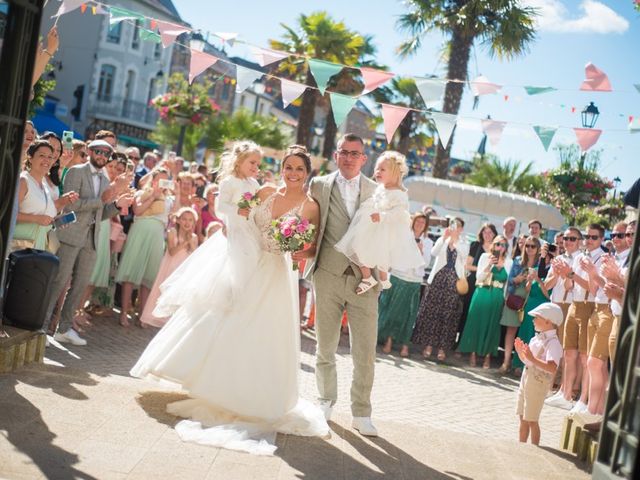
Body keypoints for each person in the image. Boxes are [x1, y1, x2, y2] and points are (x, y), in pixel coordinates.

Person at [130, 145, 328, 455]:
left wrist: (292, 246)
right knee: (231, 320)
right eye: (288, 167)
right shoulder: (263, 191)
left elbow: (312, 246)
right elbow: (236, 216)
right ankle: (216, 388)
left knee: (264, 331)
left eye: (299, 169)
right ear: (281, 169)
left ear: (307, 173)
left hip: (277, 272)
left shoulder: (311, 205)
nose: (292, 173)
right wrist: (230, 230)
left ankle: (255, 395)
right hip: (246, 263)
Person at [304, 133, 380, 437]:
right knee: (325, 345)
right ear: (337, 155)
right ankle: (325, 400)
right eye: (344, 152)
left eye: (355, 153)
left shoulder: (377, 190)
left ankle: (361, 412)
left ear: (364, 159)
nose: (349, 157)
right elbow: (307, 219)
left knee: (365, 351)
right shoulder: (319, 185)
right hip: (327, 274)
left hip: (366, 280)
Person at [43, 140, 133, 346]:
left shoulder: (104, 177)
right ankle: (42, 326)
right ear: (91, 152)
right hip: (71, 234)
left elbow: (101, 213)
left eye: (106, 153)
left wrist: (118, 205)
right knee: (59, 281)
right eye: (99, 151)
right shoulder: (76, 171)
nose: (102, 155)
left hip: (92, 238)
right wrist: (103, 199)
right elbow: (72, 204)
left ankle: (63, 329)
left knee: (80, 285)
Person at [334, 151, 424, 294]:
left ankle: (379, 277)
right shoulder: (380, 188)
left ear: (394, 173)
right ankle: (372, 277)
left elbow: (400, 213)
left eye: (382, 169)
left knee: (376, 252)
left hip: (382, 228)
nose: (377, 172)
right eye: (377, 169)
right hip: (369, 224)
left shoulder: (399, 194)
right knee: (356, 248)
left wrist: (382, 216)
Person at [116, 168, 173, 327]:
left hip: (156, 235)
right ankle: (124, 312)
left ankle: (142, 314)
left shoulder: (169, 199)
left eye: (165, 180)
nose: (162, 183)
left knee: (148, 276)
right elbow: (138, 210)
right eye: (159, 179)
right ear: (153, 180)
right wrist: (153, 197)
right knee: (131, 271)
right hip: (140, 232)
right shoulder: (142, 193)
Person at [412, 217, 469, 362]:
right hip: (438, 278)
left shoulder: (464, 243)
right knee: (433, 312)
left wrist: (455, 241)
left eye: (457, 225)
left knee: (448, 314)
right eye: (452, 225)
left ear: (461, 229)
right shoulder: (442, 239)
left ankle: (442, 348)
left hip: (454, 281)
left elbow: (463, 256)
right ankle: (429, 345)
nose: (454, 227)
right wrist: (444, 239)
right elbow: (434, 253)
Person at [378, 212, 433, 357]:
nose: (420, 224)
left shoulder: (427, 242)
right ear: (413, 222)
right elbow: (395, 254)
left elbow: (427, 263)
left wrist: (420, 251)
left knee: (409, 314)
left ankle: (404, 345)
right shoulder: (403, 236)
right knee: (393, 311)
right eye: (418, 221)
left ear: (426, 226)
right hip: (399, 276)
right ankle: (388, 340)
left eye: (423, 222)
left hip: (414, 280)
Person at [457, 235, 512, 369]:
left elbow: (507, 284)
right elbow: (479, 277)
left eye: (503, 245)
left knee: (492, 326)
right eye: (498, 244)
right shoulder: (484, 257)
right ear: (493, 245)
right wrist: (489, 265)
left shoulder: (509, 262)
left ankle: (487, 356)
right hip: (482, 292)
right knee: (476, 322)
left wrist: (505, 300)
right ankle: (473, 354)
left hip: (497, 296)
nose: (500, 247)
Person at [12, 140, 78, 251]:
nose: (46, 160)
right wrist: (36, 218)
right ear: (30, 158)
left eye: (50, 157)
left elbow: (44, 215)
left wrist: (55, 220)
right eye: (42, 155)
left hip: (38, 247)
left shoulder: (44, 184)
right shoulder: (23, 180)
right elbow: (9, 215)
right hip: (19, 246)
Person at [543, 227, 582, 410]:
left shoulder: (581, 259)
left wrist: (567, 275)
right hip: (556, 304)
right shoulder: (558, 259)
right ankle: (551, 385)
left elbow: (571, 287)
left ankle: (565, 388)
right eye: (566, 238)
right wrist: (556, 274)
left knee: (568, 348)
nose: (568, 242)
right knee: (552, 345)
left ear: (579, 241)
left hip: (571, 306)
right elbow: (547, 285)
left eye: (572, 239)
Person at [514, 303, 564, 446]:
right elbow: (528, 362)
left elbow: (552, 368)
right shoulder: (537, 338)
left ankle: (535, 449)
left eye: (537, 317)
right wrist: (521, 354)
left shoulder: (553, 343)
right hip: (527, 377)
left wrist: (532, 358)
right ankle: (521, 445)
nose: (533, 320)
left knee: (532, 419)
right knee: (523, 417)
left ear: (548, 321)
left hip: (537, 382)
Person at [139, 207, 198, 327]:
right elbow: (172, 252)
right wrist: (185, 242)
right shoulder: (172, 232)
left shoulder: (194, 237)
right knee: (162, 291)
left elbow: (194, 254)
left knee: (178, 292)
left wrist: (191, 243)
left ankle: (171, 321)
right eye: (184, 219)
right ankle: (152, 317)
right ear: (179, 220)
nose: (187, 223)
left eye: (190, 220)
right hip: (170, 266)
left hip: (183, 268)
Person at [500, 236, 543, 373]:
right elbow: (510, 280)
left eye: (533, 246)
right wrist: (517, 279)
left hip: (530, 299)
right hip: (516, 297)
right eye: (527, 246)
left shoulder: (540, 264)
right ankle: (506, 362)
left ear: (538, 249)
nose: (529, 249)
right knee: (511, 331)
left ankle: (522, 365)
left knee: (527, 333)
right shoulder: (518, 261)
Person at [512, 237, 549, 372]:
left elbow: (548, 294)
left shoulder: (550, 271)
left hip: (542, 306)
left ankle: (532, 364)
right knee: (525, 334)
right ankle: (519, 363)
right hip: (530, 306)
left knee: (536, 337)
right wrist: (529, 280)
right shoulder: (535, 268)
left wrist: (538, 280)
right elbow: (528, 289)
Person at [460, 223, 498, 344]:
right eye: (485, 232)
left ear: (494, 234)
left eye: (490, 232)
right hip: (473, 283)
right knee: (467, 311)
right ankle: (461, 340)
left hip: (489, 285)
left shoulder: (498, 248)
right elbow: (467, 265)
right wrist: (482, 269)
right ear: (481, 234)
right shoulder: (475, 245)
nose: (487, 235)